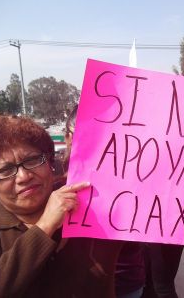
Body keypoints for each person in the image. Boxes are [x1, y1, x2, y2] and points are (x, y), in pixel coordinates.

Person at [0, 115, 122, 298]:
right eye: (5, 170)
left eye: (32, 160)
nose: (24, 176)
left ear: (50, 163)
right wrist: (45, 226)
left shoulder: (94, 201)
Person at [64, 105, 146, 298]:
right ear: (67, 137)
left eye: (95, 135)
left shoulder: (133, 176)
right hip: (78, 284)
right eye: (79, 135)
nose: (87, 142)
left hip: (126, 281)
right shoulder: (51, 184)